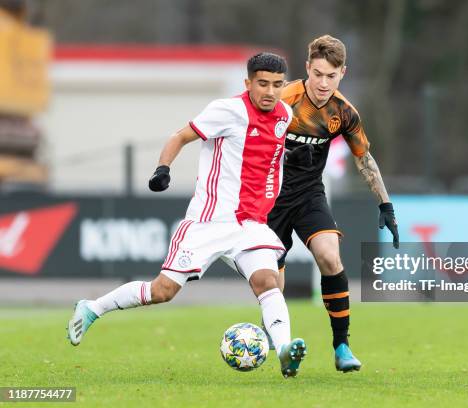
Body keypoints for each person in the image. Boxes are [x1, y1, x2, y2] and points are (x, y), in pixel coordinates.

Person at [67, 53, 308, 378]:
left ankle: (284, 351)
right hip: (209, 222)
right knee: (162, 291)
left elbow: (264, 154)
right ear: (248, 83)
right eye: (262, 84)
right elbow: (179, 136)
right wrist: (162, 169)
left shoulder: (284, 114)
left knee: (268, 282)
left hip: (251, 224)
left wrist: (291, 156)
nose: (270, 91)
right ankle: (92, 308)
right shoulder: (228, 110)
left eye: (277, 85)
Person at [266, 35, 400, 372]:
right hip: (269, 198)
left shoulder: (344, 112)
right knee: (272, 280)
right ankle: (284, 350)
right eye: (318, 74)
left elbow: (364, 159)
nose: (324, 83)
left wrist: (386, 205)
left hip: (309, 194)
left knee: (329, 255)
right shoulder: (282, 100)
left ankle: (342, 346)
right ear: (307, 68)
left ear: (343, 73)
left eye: (332, 76)